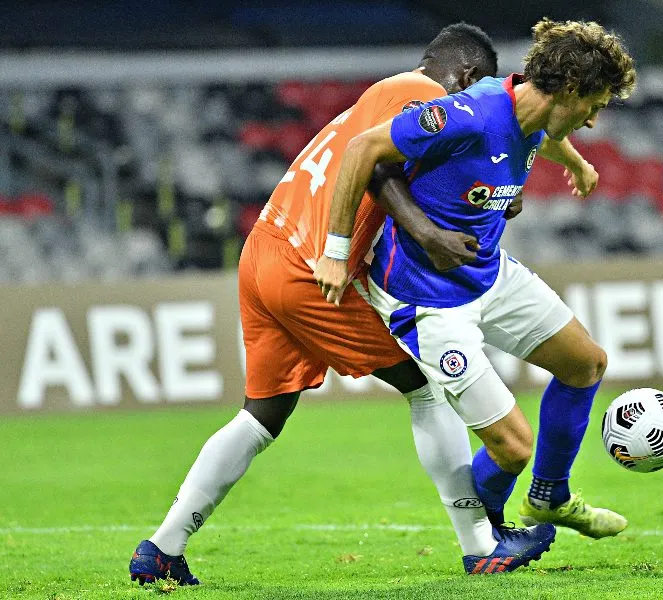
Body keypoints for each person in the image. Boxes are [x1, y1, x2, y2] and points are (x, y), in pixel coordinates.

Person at [129, 23, 554, 586]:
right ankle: (480, 545)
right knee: (427, 387)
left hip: (264, 251)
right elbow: (377, 170)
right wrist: (397, 241)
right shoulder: (421, 94)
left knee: (262, 415)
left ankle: (162, 548)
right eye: (472, 90)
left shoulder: (378, 98)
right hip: (309, 267)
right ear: (467, 75)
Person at [315, 18, 637, 540]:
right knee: (514, 448)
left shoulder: (531, 109)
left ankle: (549, 496)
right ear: (570, 89)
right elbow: (362, 150)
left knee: (586, 363)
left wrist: (575, 162)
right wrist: (334, 254)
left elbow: (537, 132)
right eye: (594, 105)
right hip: (427, 299)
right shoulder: (468, 115)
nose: (594, 120)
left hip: (487, 273)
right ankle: (487, 537)